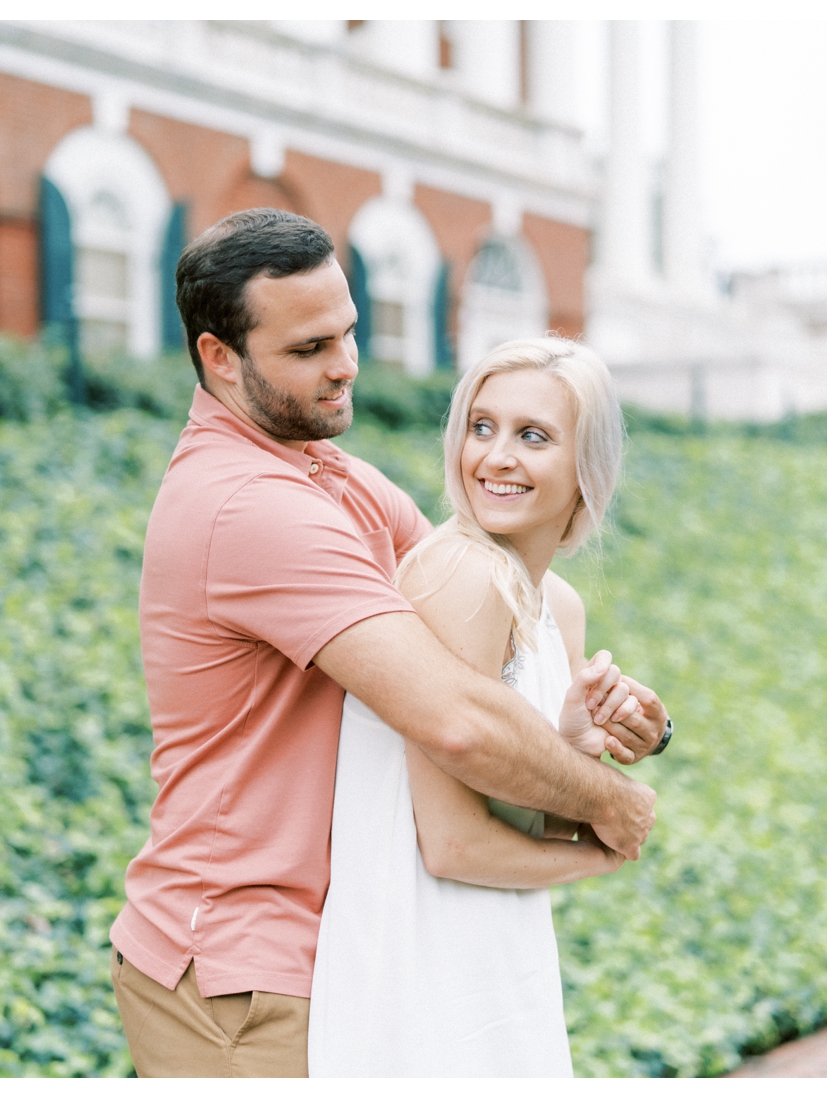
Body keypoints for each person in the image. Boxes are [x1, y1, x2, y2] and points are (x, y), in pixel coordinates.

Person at [108, 208, 667, 1078]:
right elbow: (457, 721)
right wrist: (609, 807)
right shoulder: (249, 506)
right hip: (238, 969)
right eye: (307, 350)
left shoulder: (333, 476)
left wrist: (616, 714)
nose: (344, 368)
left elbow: (493, 601)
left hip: (329, 952)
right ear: (220, 358)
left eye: (348, 332)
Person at [308, 337, 661, 1076]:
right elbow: (453, 845)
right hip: (421, 970)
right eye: (481, 426)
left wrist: (576, 738)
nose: (495, 456)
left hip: (502, 953)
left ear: (586, 468)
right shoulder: (460, 576)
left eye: (532, 436)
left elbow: (526, 814)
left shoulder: (556, 605)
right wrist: (598, 856)